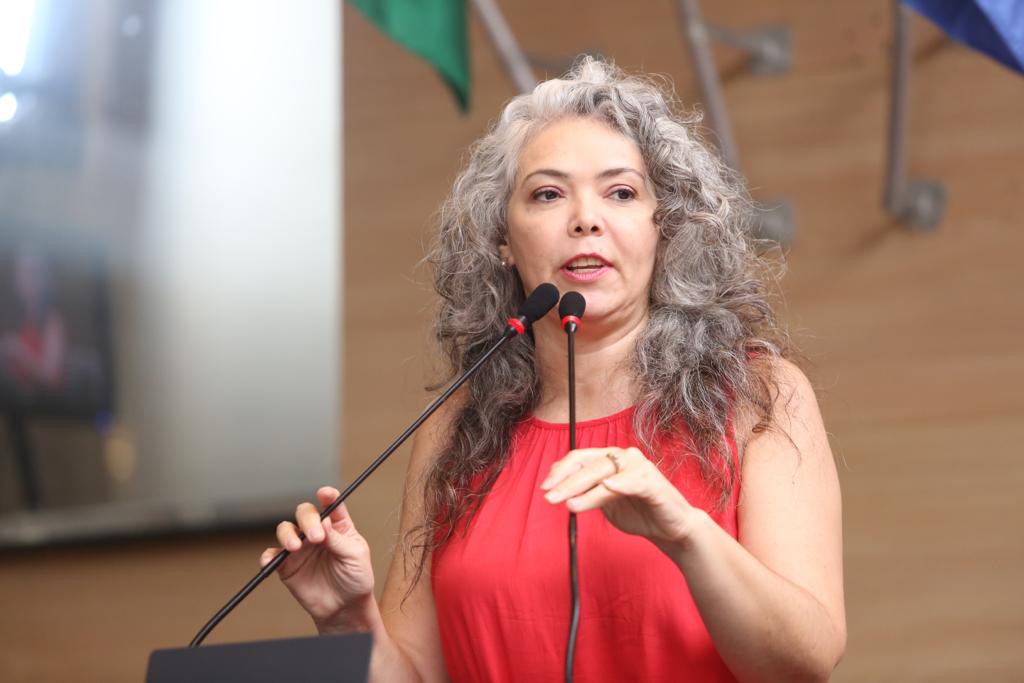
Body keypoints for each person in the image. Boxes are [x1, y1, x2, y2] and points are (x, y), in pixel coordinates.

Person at [262, 57, 845, 682]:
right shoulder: (456, 429)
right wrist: (348, 622)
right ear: (502, 241)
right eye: (548, 194)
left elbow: (804, 661)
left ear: (665, 228)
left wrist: (685, 534)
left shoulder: (758, 397)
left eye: (621, 192)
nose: (585, 219)